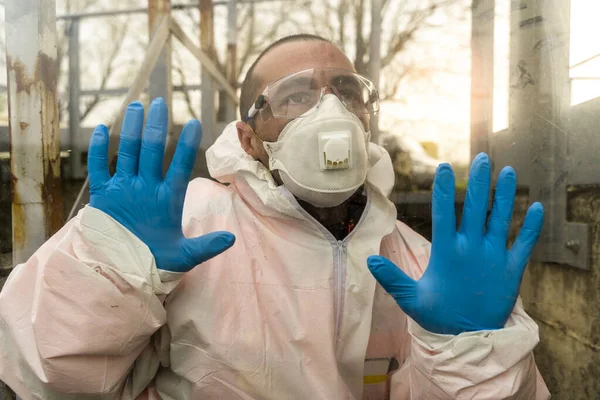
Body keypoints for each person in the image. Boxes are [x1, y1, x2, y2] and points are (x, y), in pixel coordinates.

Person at [0, 34, 550, 400]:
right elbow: (43, 373)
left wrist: (470, 355)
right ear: (248, 136)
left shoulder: (419, 263)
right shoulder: (179, 226)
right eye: (295, 96)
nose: (328, 111)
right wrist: (110, 266)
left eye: (346, 92)